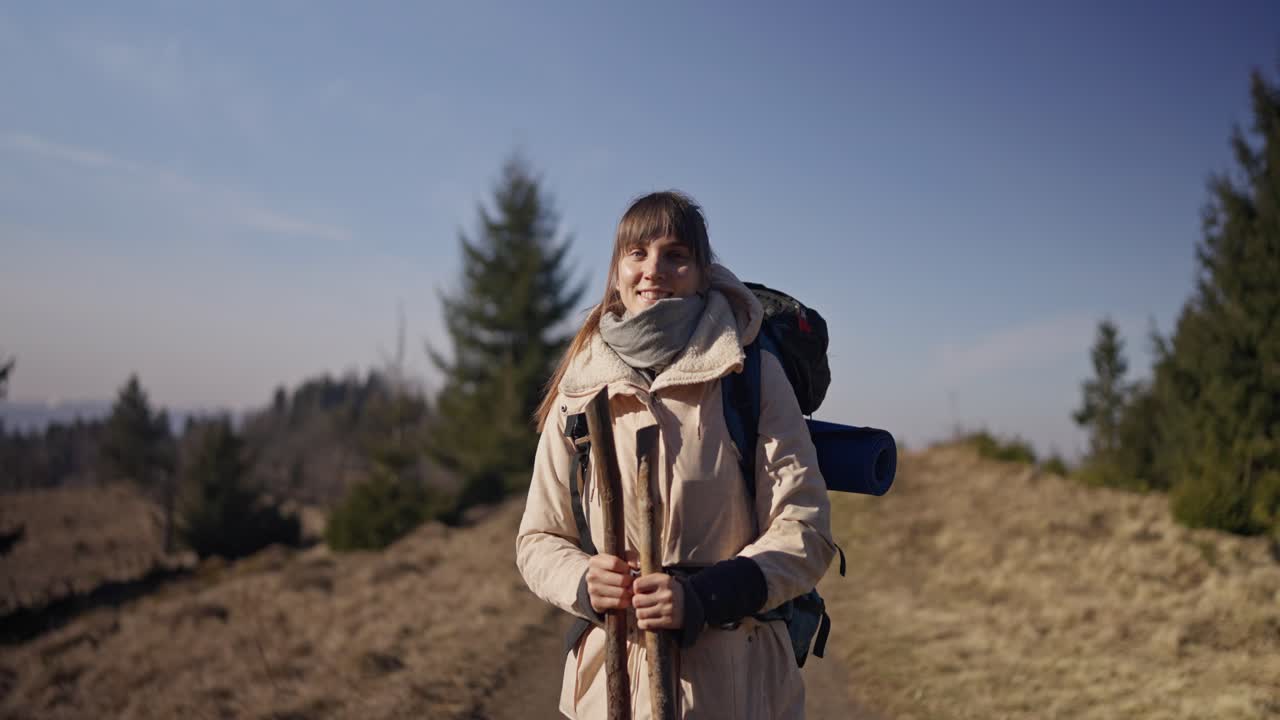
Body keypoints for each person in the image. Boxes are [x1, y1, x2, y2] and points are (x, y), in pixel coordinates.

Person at [516, 190, 836, 719]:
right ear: (617, 269)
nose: (653, 270)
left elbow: (806, 529)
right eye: (637, 253)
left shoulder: (749, 373)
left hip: (735, 691)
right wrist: (582, 580)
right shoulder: (580, 385)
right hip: (606, 695)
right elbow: (538, 538)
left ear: (701, 271)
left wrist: (704, 598)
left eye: (675, 255)